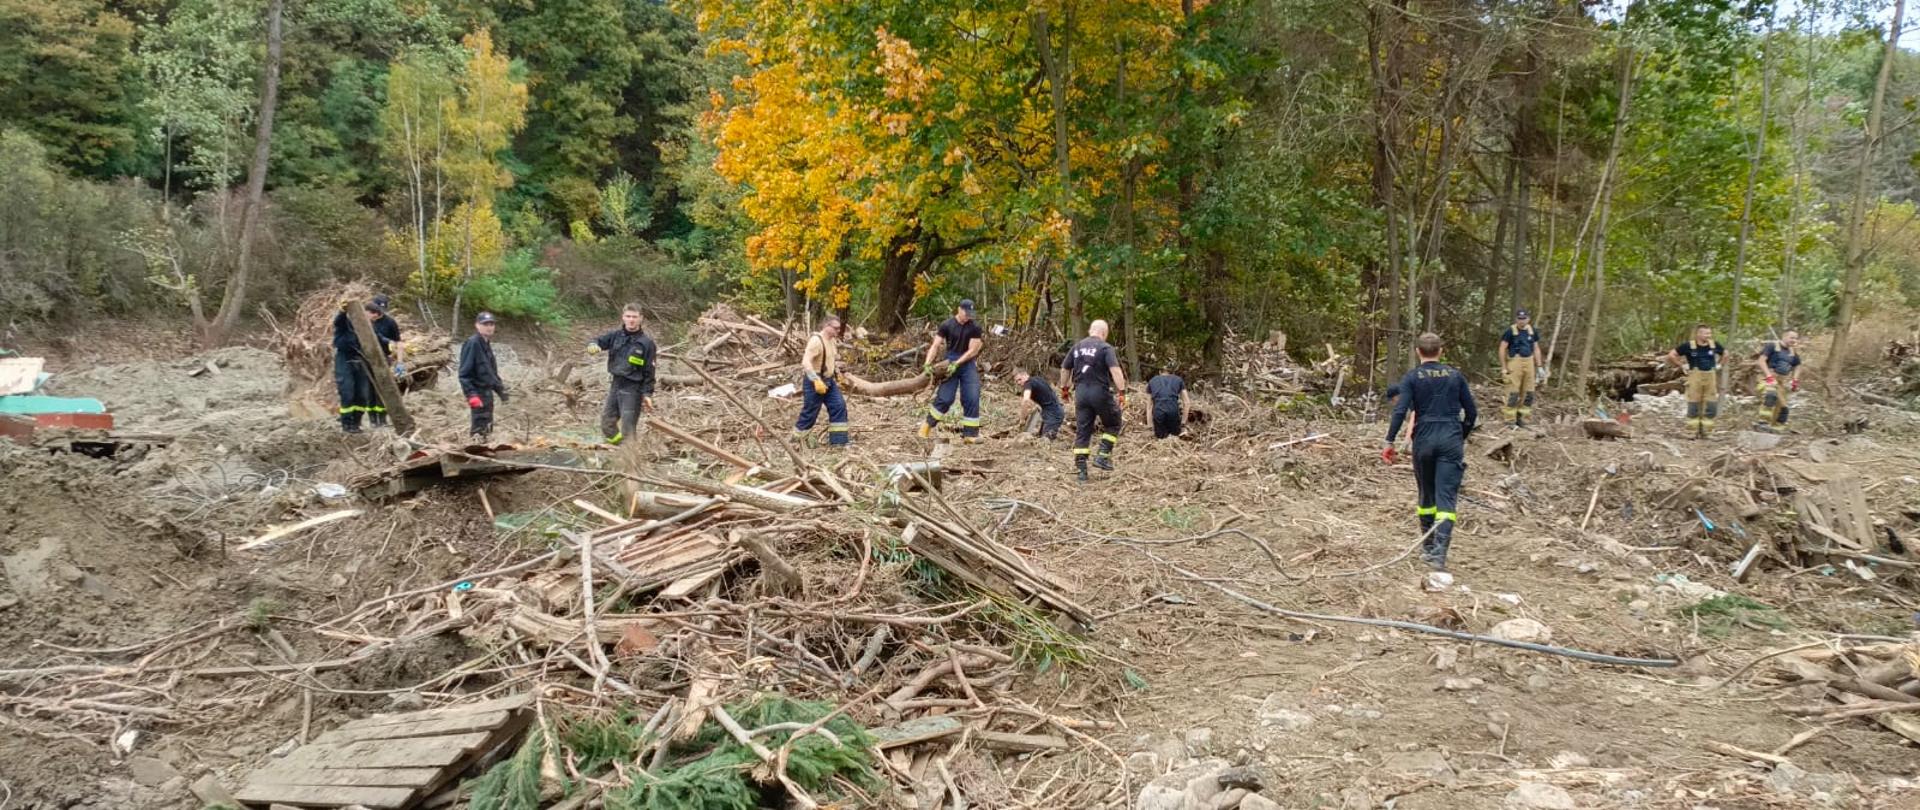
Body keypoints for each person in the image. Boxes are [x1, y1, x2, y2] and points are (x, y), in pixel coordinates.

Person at [1384, 332, 1477, 571]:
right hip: (1450, 438)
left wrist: (1389, 441)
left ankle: (1428, 546)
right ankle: (1439, 554)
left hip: (1424, 439)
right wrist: (1461, 434)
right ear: (1441, 351)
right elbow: (1472, 412)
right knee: (1446, 497)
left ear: (1418, 352)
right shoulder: (1455, 376)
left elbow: (1399, 411)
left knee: (1426, 495)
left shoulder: (1412, 377)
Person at [1060, 320, 1127, 482]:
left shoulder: (1077, 347)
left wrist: (1064, 388)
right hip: (1099, 392)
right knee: (1114, 422)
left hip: (1081, 393)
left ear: (1091, 330)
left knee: (1083, 430)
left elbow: (1064, 368)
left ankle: (1082, 472)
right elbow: (1115, 370)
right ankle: (1102, 456)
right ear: (1104, 333)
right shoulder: (1105, 348)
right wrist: (1122, 392)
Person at [587, 304, 657, 445]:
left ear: (641, 319)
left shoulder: (646, 343)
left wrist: (647, 394)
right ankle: (619, 448)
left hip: (633, 389)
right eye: (628, 316)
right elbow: (597, 341)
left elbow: (650, 371)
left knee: (628, 429)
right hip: (616, 385)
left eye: (634, 317)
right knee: (607, 424)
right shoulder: (615, 336)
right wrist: (593, 345)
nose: (631, 320)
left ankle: (630, 459)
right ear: (623, 317)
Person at [920, 300, 986, 443]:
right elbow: (935, 345)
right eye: (966, 313)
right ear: (959, 309)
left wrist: (958, 363)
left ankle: (970, 435)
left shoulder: (975, 327)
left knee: (972, 397)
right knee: (945, 398)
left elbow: (973, 350)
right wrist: (927, 364)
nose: (968, 316)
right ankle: (925, 427)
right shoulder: (947, 325)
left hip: (967, 363)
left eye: (970, 314)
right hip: (949, 362)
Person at [794, 316, 851, 446]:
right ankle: (798, 439)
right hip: (815, 381)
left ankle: (839, 441)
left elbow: (830, 360)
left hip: (828, 381)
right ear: (826, 326)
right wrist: (815, 380)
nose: (838, 331)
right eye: (835, 328)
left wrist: (838, 375)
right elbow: (805, 361)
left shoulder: (832, 341)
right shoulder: (816, 341)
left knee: (839, 406)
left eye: (839, 328)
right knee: (811, 411)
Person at [330, 299, 382, 434]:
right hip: (344, 359)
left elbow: (377, 343)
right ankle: (346, 423)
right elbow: (338, 322)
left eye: (377, 314)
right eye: (374, 313)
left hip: (361, 361)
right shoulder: (346, 324)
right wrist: (342, 312)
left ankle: (356, 423)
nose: (376, 316)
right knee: (347, 392)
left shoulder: (370, 329)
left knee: (362, 395)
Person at [1666, 324, 1725, 439]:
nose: (1709, 335)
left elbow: (1725, 354)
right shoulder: (1689, 346)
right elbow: (1671, 355)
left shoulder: (1714, 345)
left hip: (1711, 377)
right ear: (1698, 334)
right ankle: (1691, 432)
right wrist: (1682, 365)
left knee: (1711, 403)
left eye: (1710, 333)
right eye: (1706, 333)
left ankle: (1708, 432)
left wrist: (1719, 365)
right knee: (1694, 402)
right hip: (1695, 376)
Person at [459, 312, 508, 439]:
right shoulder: (473, 343)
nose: (489, 327)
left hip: (487, 394)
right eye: (485, 324)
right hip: (478, 395)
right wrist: (472, 395)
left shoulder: (485, 344)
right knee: (479, 431)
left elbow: (490, 372)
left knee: (487, 428)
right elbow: (464, 374)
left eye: (491, 324)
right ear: (477, 325)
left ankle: (483, 451)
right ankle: (476, 454)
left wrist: (501, 391)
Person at [1498, 309, 1541, 428]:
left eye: (1524, 318)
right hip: (1515, 362)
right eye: (1519, 319)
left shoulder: (1533, 332)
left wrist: (1540, 366)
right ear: (1516, 319)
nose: (1522, 321)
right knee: (1512, 392)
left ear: (1528, 319)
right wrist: (1504, 367)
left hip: (1529, 362)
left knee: (1529, 393)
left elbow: (1536, 348)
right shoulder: (1510, 331)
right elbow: (1502, 348)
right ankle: (1510, 420)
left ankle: (1522, 419)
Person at [1752, 330, 1802, 432]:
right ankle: (1762, 423)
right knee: (1770, 394)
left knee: (1783, 408)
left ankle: (1776, 429)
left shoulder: (1793, 352)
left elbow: (1798, 365)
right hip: (1766, 378)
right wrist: (1769, 376)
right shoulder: (1772, 346)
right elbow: (1761, 361)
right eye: (1791, 337)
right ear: (1784, 336)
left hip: (1781, 382)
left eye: (1796, 338)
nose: (1794, 340)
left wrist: (1795, 379)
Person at [366, 294, 403, 429]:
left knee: (383, 389)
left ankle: (382, 419)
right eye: (375, 311)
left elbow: (398, 342)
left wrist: (400, 362)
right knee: (370, 390)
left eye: (379, 311)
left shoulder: (390, 322)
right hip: (367, 359)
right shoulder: (365, 321)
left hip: (383, 358)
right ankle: (372, 420)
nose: (376, 315)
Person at [1013, 366, 1065, 440]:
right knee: (1041, 437)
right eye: (1016, 381)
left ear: (1025, 375)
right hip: (1053, 411)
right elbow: (1046, 393)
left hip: (1053, 415)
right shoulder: (1038, 379)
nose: (1018, 383)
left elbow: (1025, 401)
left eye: (1019, 379)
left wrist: (1022, 419)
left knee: (1045, 441)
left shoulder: (1028, 384)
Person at [1146, 367, 1189, 439]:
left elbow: (1149, 406)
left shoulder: (1152, 381)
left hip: (1158, 413)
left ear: (1160, 372)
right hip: (1173, 411)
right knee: (1175, 436)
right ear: (1172, 372)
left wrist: (1150, 426)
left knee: (1161, 438)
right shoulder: (1178, 380)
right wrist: (1183, 423)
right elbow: (1187, 403)